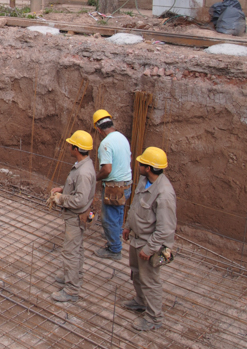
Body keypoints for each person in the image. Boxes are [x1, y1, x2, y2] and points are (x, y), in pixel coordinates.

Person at [123, 147, 177, 331]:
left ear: (149, 167)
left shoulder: (164, 193)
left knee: (151, 281)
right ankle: (140, 301)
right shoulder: (144, 181)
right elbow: (136, 206)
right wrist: (128, 226)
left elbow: (165, 229)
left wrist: (150, 249)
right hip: (137, 240)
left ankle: (154, 318)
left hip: (148, 245)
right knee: (136, 273)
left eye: (142, 163)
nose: (138, 164)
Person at [48, 130, 97, 303]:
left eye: (70, 145)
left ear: (76, 148)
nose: (68, 146)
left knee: (71, 252)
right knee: (77, 249)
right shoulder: (82, 166)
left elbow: (80, 199)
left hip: (76, 217)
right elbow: (78, 190)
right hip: (76, 216)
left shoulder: (83, 172)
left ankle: (71, 289)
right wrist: (64, 189)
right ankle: (74, 275)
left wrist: (61, 199)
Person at [92, 109, 132, 260]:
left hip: (114, 187)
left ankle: (114, 249)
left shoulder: (106, 144)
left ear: (97, 128)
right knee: (118, 213)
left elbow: (107, 170)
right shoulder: (122, 137)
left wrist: (95, 177)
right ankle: (115, 235)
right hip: (126, 184)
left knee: (109, 218)